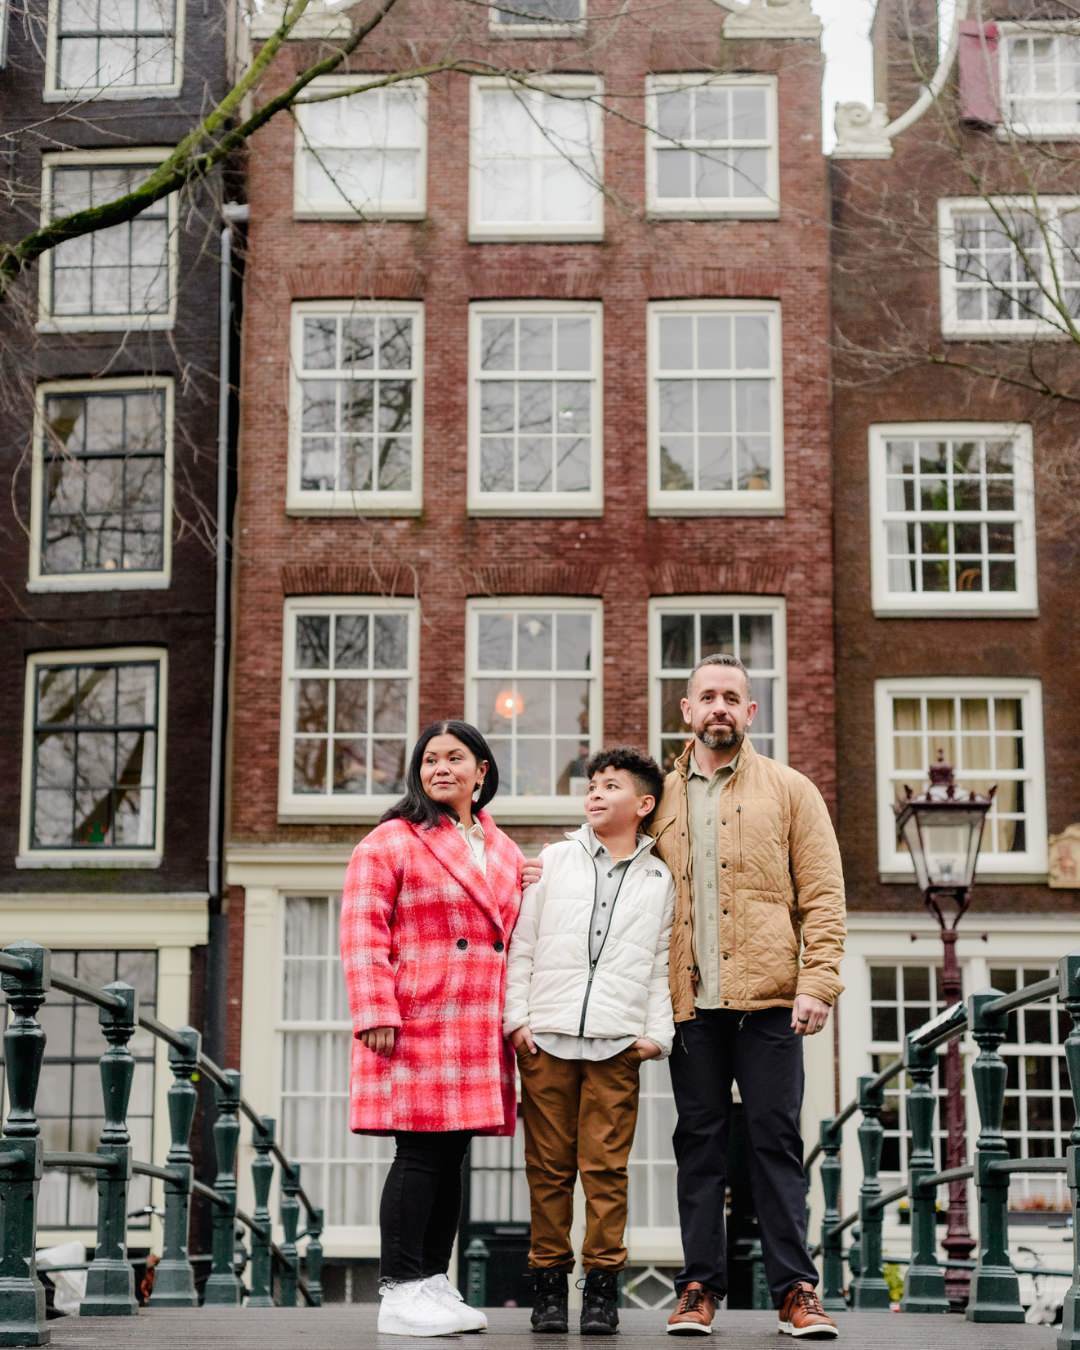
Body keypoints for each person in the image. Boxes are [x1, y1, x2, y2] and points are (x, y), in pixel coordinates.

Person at [654, 654, 846, 1339]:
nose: (719, 708)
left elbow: (823, 897)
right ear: (686, 710)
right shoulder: (659, 797)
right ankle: (698, 1287)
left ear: (751, 711)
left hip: (770, 1002)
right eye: (707, 696)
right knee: (698, 1146)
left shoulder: (792, 791)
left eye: (732, 697)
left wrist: (818, 982)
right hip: (691, 1007)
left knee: (775, 1144)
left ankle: (796, 1290)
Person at [339, 720, 524, 1337]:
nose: (439, 768)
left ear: (482, 771)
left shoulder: (503, 850)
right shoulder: (390, 841)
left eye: (454, 758)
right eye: (428, 760)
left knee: (452, 1155)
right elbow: (362, 930)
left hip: (477, 1022)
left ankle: (431, 1281)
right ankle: (397, 1289)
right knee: (418, 1152)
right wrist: (375, 1011)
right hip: (418, 1016)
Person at [506, 747, 676, 1337]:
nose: (596, 793)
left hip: (616, 1045)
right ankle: (548, 1287)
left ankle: (602, 1289)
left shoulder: (660, 879)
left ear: (644, 803)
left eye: (611, 786)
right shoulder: (553, 861)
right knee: (548, 1171)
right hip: (546, 1040)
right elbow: (522, 944)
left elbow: (659, 962)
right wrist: (516, 1021)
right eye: (592, 786)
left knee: (605, 1172)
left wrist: (656, 1036)